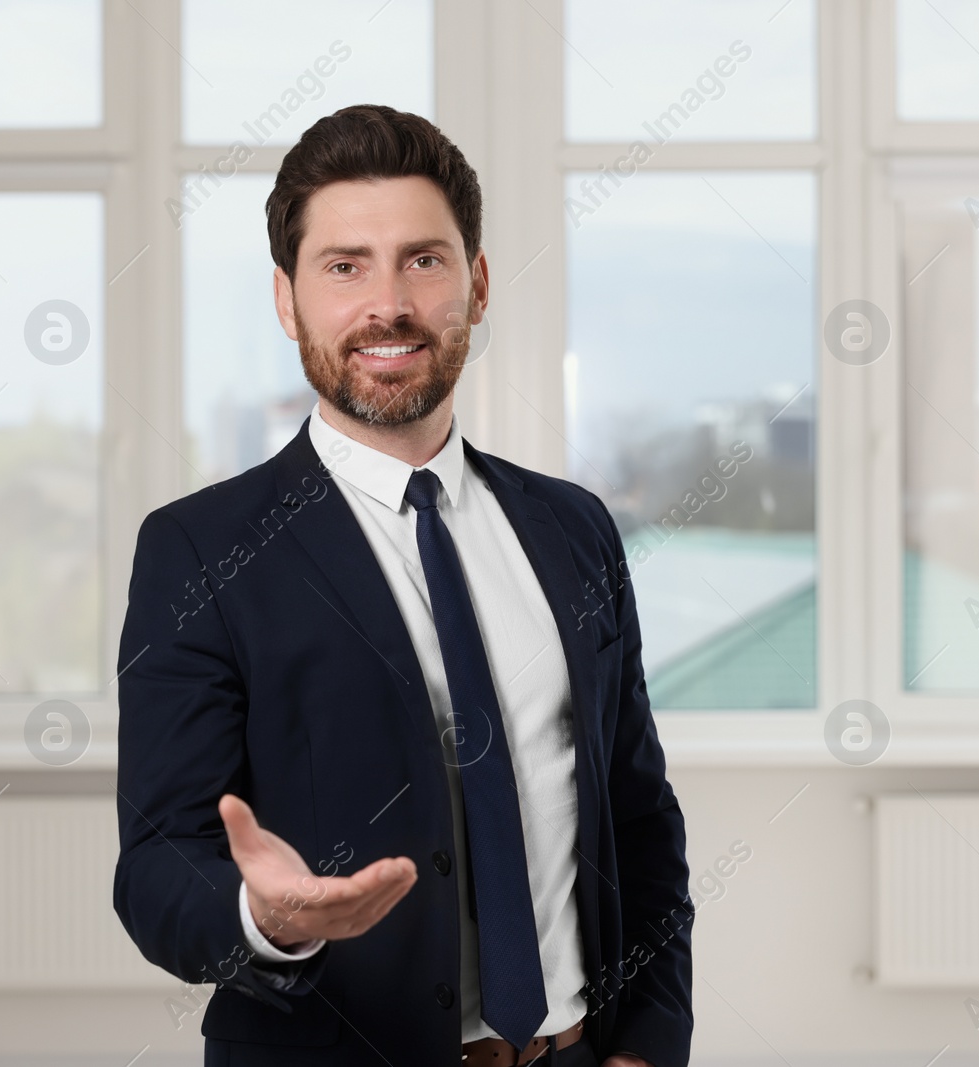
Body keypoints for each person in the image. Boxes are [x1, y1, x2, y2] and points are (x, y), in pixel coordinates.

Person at [113, 104, 693, 1067]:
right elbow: (156, 869)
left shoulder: (574, 528)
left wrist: (647, 1041)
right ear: (287, 300)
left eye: (424, 260)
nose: (389, 304)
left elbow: (637, 813)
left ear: (478, 283)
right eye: (344, 267)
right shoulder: (200, 549)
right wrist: (271, 915)